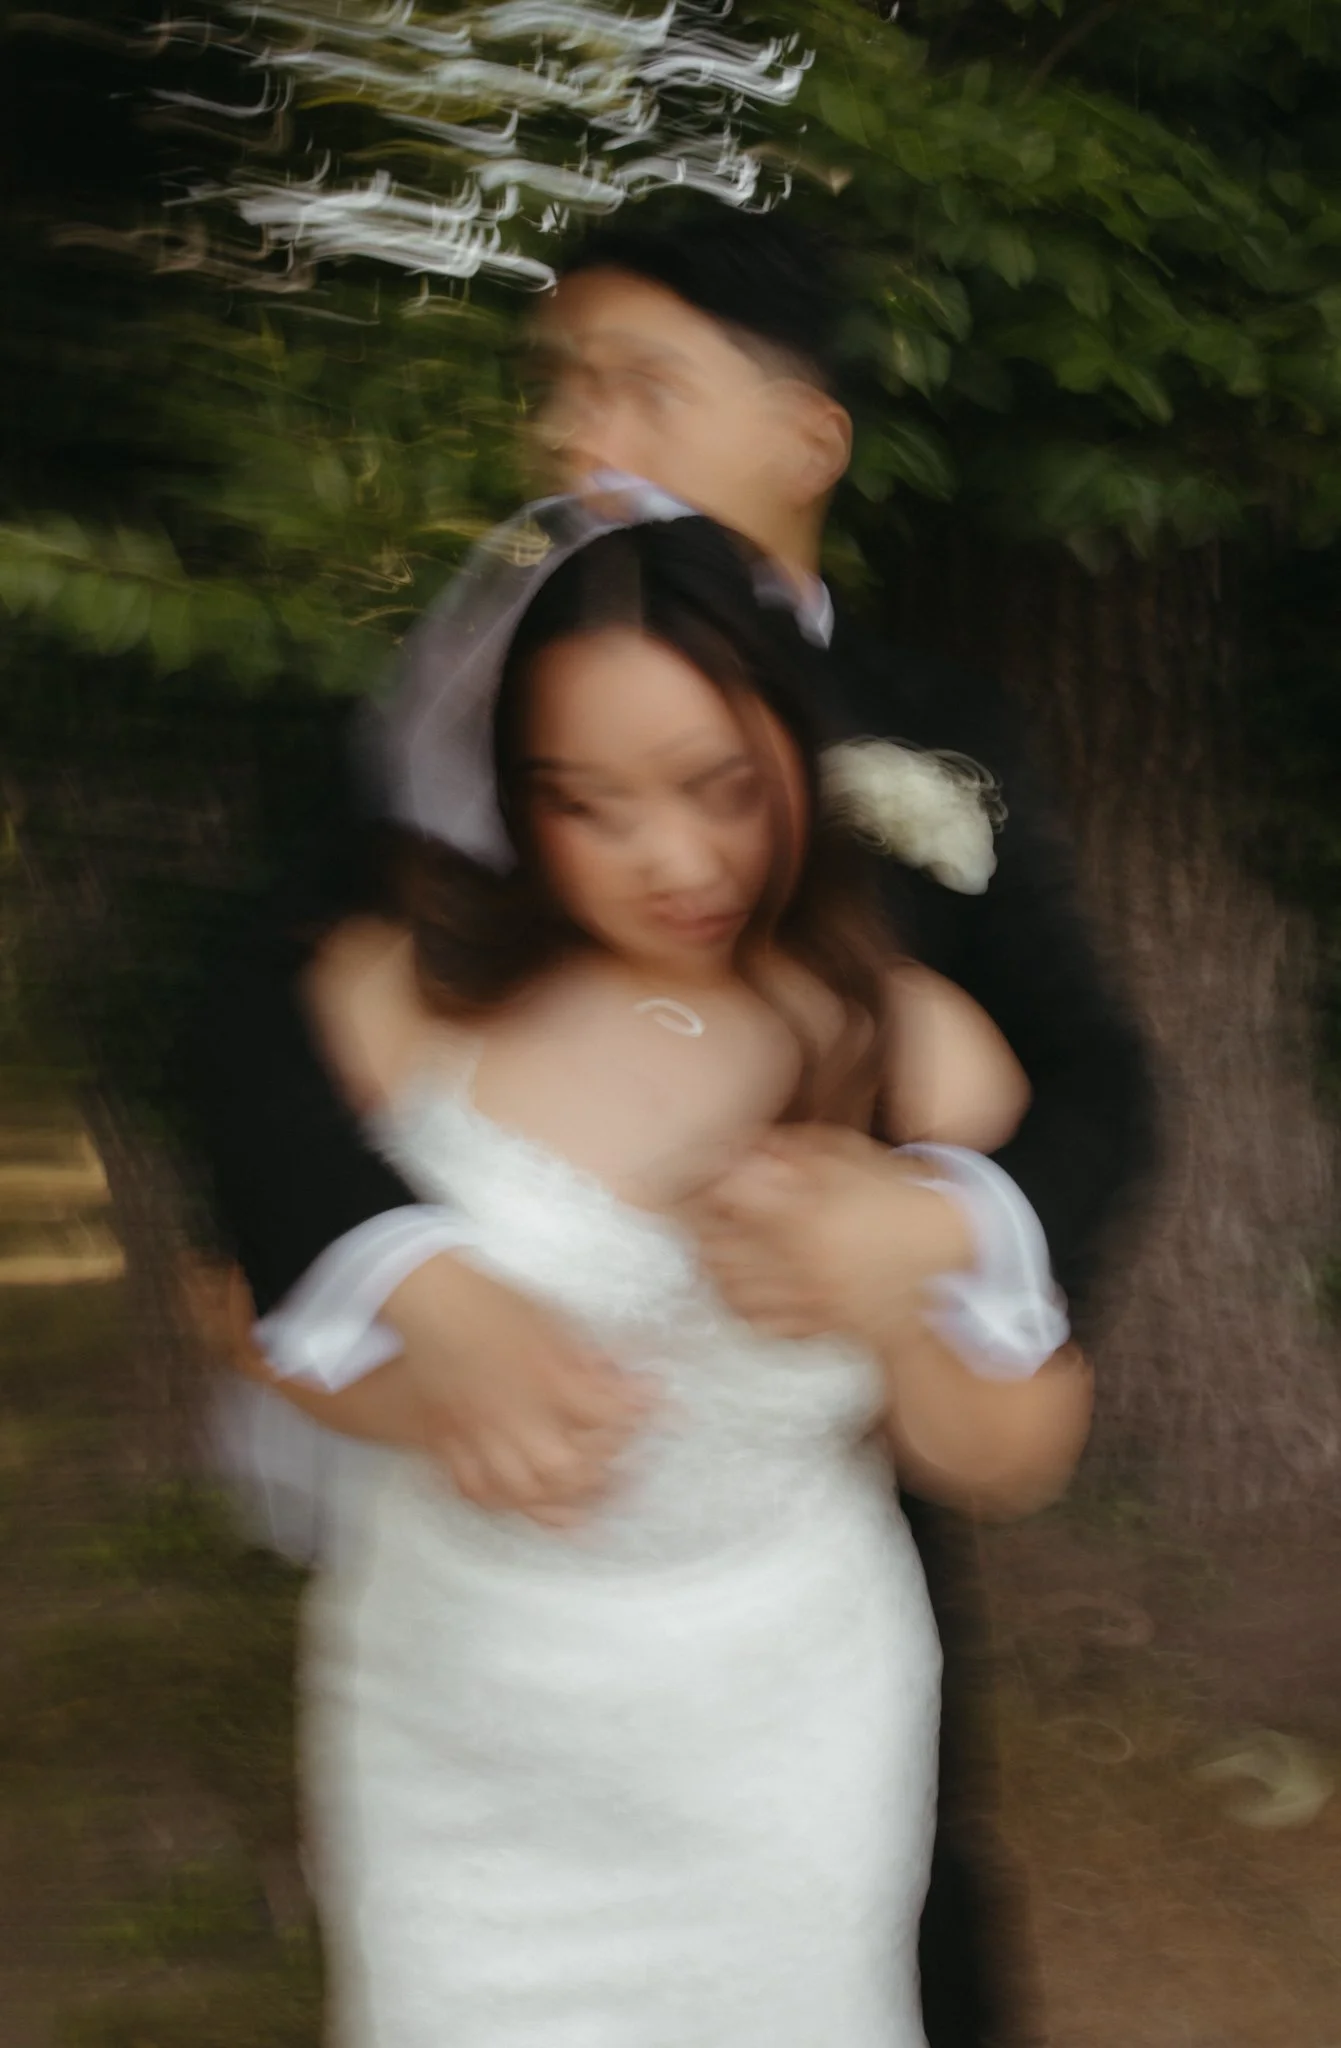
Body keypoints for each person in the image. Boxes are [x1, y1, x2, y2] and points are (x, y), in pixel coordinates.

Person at [187, 203, 1155, 2046]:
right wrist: (417, 1290)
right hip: (463, 1698)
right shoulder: (422, 887)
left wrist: (933, 1237)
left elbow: (1093, 1094)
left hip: (802, 1605)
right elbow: (257, 1038)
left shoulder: (938, 779)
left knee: (901, 1938)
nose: (667, 858)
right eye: (583, 799)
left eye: (639, 382)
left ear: (808, 435)